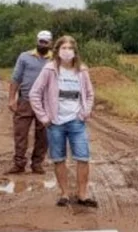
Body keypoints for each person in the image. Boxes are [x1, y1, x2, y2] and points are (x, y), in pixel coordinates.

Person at [29, 35, 96, 207]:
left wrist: (85, 112)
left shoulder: (82, 70)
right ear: (57, 50)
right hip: (55, 122)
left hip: (76, 121)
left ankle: (82, 194)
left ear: (75, 51)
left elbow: (89, 94)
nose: (67, 51)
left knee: (83, 157)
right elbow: (34, 94)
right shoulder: (49, 70)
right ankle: (64, 194)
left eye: (70, 48)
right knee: (58, 158)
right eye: (63, 48)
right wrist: (44, 117)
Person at [8, 31, 52, 174]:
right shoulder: (24, 56)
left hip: (45, 103)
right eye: (41, 41)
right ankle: (19, 163)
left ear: (50, 43)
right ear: (37, 41)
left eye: (45, 42)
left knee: (43, 135)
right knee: (20, 133)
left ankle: (37, 163)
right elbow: (16, 78)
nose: (43, 44)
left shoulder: (54, 59)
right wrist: (11, 98)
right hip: (25, 100)